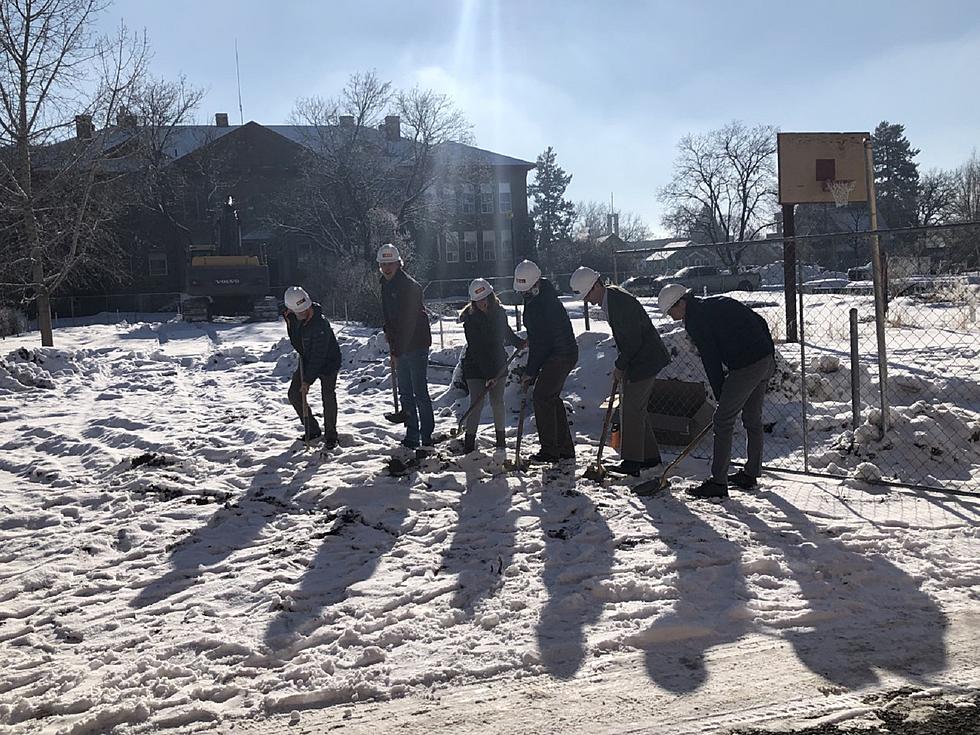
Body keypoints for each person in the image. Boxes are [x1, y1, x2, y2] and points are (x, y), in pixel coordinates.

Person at [658, 283, 776, 499]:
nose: (671, 317)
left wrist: (721, 394)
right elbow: (759, 321)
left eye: (671, 312)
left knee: (722, 421)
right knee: (752, 418)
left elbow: (710, 358)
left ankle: (718, 483)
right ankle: (751, 474)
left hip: (747, 365)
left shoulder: (696, 320)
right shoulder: (715, 303)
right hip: (765, 359)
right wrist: (770, 357)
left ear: (682, 303)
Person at [570, 266, 671, 477]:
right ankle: (650, 457)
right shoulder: (611, 299)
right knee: (636, 408)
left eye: (588, 294)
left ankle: (632, 462)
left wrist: (620, 365)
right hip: (639, 359)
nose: (588, 300)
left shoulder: (618, 301)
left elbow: (633, 339)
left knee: (631, 409)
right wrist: (623, 363)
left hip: (645, 360)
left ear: (597, 285)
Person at [514, 260, 579, 464]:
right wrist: (531, 336)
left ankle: (551, 450)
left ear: (536, 283)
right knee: (550, 397)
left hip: (560, 354)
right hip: (559, 352)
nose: (524, 294)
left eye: (526, 290)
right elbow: (540, 334)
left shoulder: (543, 302)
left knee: (542, 397)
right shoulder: (538, 296)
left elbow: (542, 342)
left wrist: (530, 372)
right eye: (522, 291)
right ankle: (564, 448)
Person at [378, 243, 434, 456]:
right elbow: (390, 318)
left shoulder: (410, 286)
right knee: (405, 392)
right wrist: (392, 343)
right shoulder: (385, 285)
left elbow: (408, 322)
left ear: (398, 263)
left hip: (416, 343)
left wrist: (397, 349)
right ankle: (412, 435)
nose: (386, 268)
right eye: (383, 264)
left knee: (419, 391)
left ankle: (426, 436)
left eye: (390, 263)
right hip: (400, 346)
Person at [459, 278, 525, 454]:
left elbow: (506, 333)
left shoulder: (499, 313)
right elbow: (478, 349)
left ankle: (501, 441)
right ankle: (469, 443)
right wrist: (488, 375)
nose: (482, 303)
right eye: (478, 301)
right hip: (475, 367)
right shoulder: (470, 320)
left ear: (491, 296)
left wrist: (519, 343)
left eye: (485, 298)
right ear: (473, 302)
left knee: (497, 402)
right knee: (477, 402)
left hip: (497, 363)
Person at [283, 286, 342, 449]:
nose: (304, 313)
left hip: (328, 361)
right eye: (299, 311)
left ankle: (331, 436)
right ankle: (312, 429)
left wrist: (307, 381)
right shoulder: (291, 317)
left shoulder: (320, 325)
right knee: (294, 394)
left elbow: (319, 357)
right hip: (307, 357)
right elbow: (297, 340)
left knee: (328, 395)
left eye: (305, 309)